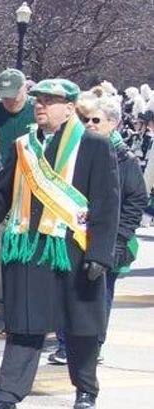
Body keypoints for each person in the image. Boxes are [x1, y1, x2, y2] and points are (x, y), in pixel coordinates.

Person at [0, 79, 119, 409]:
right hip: (29, 248)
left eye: (50, 100)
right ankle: (6, 394)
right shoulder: (24, 146)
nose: (40, 105)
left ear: (69, 107)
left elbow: (107, 204)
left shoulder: (93, 145)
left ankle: (86, 391)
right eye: (38, 99)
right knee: (23, 324)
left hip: (74, 250)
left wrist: (100, 253)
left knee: (80, 328)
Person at [47, 90, 148, 366]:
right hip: (73, 238)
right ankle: (66, 343)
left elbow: (136, 198)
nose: (89, 125)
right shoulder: (76, 150)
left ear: (113, 123)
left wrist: (118, 238)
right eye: (85, 120)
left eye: (95, 120)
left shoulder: (123, 156)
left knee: (97, 298)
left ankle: (92, 346)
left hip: (107, 242)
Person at [0, 68, 36, 334]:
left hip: (34, 194)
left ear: (26, 90)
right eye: (5, 97)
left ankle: (28, 306)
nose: (9, 102)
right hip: (0, 193)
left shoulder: (38, 111)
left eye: (14, 96)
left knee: (29, 255)